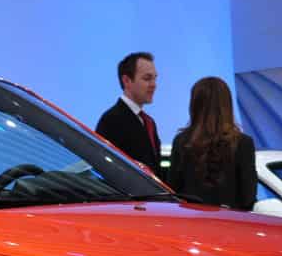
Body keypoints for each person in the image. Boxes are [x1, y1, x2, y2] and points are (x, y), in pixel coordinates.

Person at [166, 76, 256, 210]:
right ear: (227, 105)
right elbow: (248, 197)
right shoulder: (243, 143)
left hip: (190, 219)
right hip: (229, 220)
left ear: (194, 105)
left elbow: (172, 191)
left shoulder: (181, 142)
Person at [95, 52, 162, 175]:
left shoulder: (149, 122)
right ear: (126, 80)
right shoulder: (111, 120)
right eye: (147, 78)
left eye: (155, 78)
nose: (154, 84)